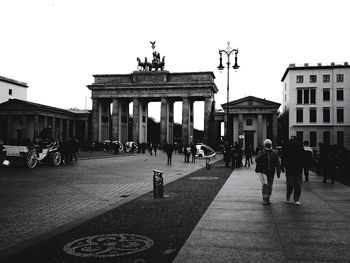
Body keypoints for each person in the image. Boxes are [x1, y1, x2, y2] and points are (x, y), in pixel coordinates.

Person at [255, 139, 281, 205]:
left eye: (269, 145)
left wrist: (278, 171)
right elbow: (256, 159)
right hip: (263, 171)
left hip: (271, 172)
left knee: (270, 186)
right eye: (267, 145)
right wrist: (262, 154)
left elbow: (277, 163)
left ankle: (268, 198)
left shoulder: (274, 153)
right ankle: (264, 198)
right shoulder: (262, 152)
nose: (268, 146)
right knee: (265, 184)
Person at [281, 136, 304, 205]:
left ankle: (296, 199)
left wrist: (303, 165)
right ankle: (288, 195)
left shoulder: (300, 148)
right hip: (290, 168)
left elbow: (303, 157)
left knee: (298, 185)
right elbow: (283, 157)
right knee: (290, 184)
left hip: (298, 168)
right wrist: (282, 166)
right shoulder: (287, 148)